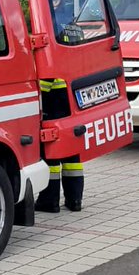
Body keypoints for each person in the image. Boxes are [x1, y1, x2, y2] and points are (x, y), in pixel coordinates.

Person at [34, 77, 84, 213]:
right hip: (70, 97)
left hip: (51, 100)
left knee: (51, 154)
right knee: (72, 154)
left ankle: (49, 201)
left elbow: (46, 78)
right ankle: (75, 200)